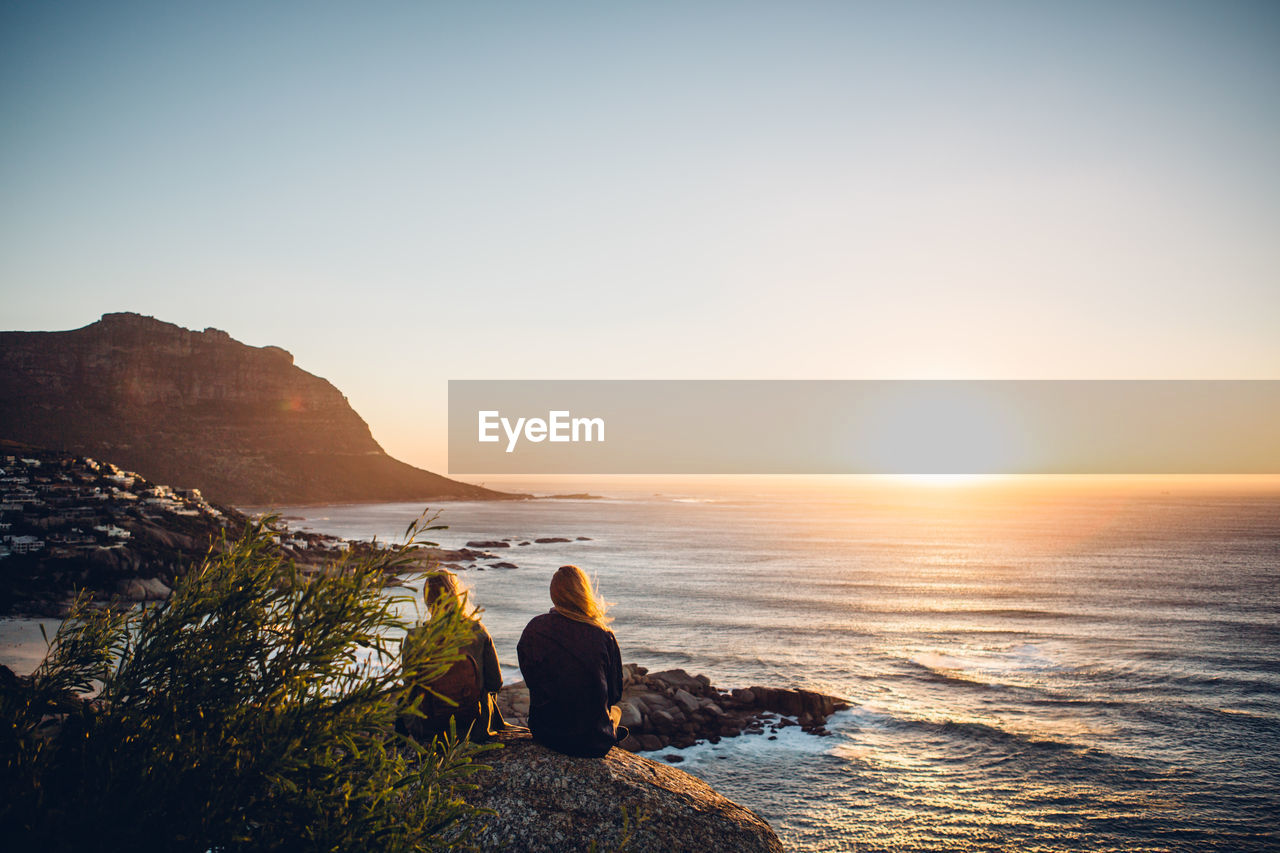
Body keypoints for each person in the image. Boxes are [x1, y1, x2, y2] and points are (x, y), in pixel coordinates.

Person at [517, 564, 627, 757]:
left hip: (545, 732)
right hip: (592, 741)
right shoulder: (602, 635)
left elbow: (531, 680)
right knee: (616, 711)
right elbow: (615, 693)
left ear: (554, 595)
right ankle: (612, 732)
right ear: (584, 593)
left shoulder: (534, 628)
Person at [399, 571, 505, 743]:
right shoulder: (477, 630)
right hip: (474, 729)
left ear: (427, 601)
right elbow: (495, 683)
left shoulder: (414, 638)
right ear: (456, 596)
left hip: (428, 731)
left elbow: (409, 689)